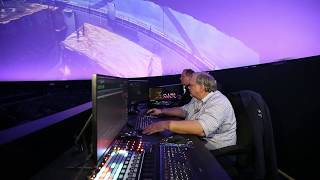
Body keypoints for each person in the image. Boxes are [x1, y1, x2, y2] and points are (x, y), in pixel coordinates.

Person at [143, 72, 237, 150]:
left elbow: (201, 129)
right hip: (198, 142)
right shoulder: (197, 98)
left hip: (215, 151)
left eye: (191, 85)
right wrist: (161, 111)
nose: (188, 87)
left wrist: (166, 125)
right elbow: (183, 111)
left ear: (202, 87)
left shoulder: (219, 102)